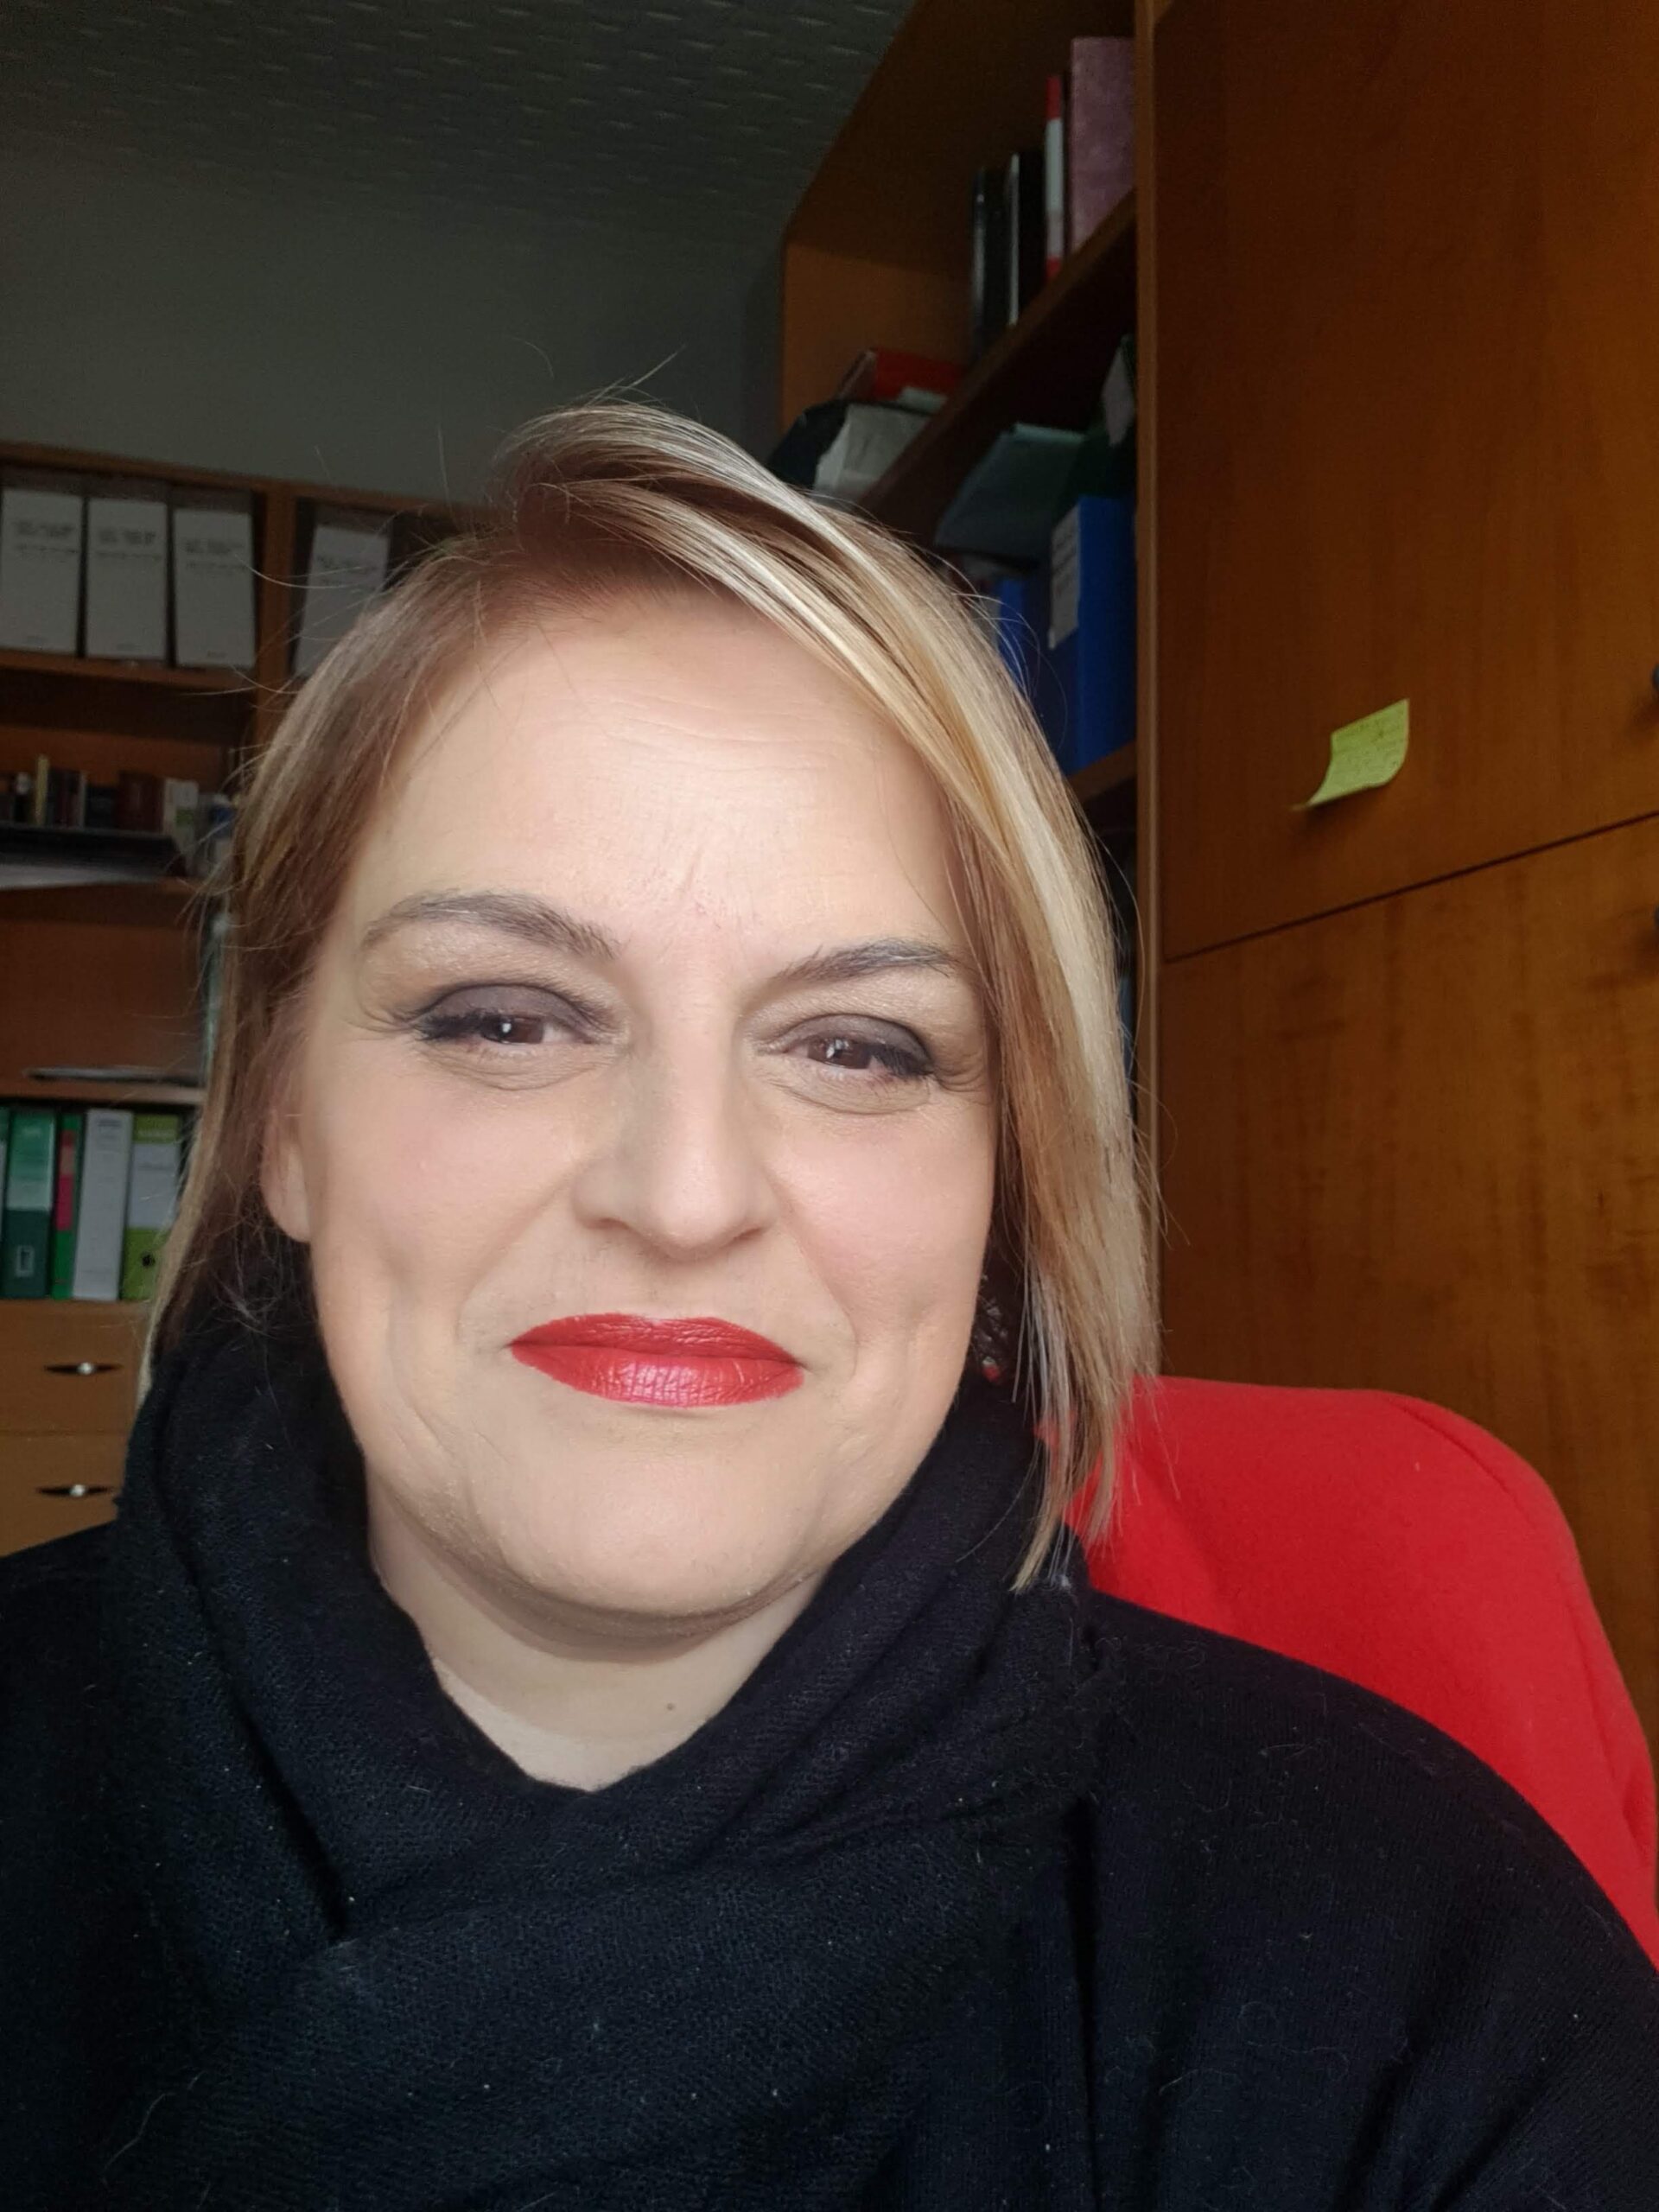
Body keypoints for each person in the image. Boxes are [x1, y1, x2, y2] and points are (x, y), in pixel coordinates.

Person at [0, 404, 1654, 2212]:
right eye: (504, 1016)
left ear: (1006, 1174)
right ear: (282, 1121)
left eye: (859, 1047)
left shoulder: (1422, 1967)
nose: (685, 1193)